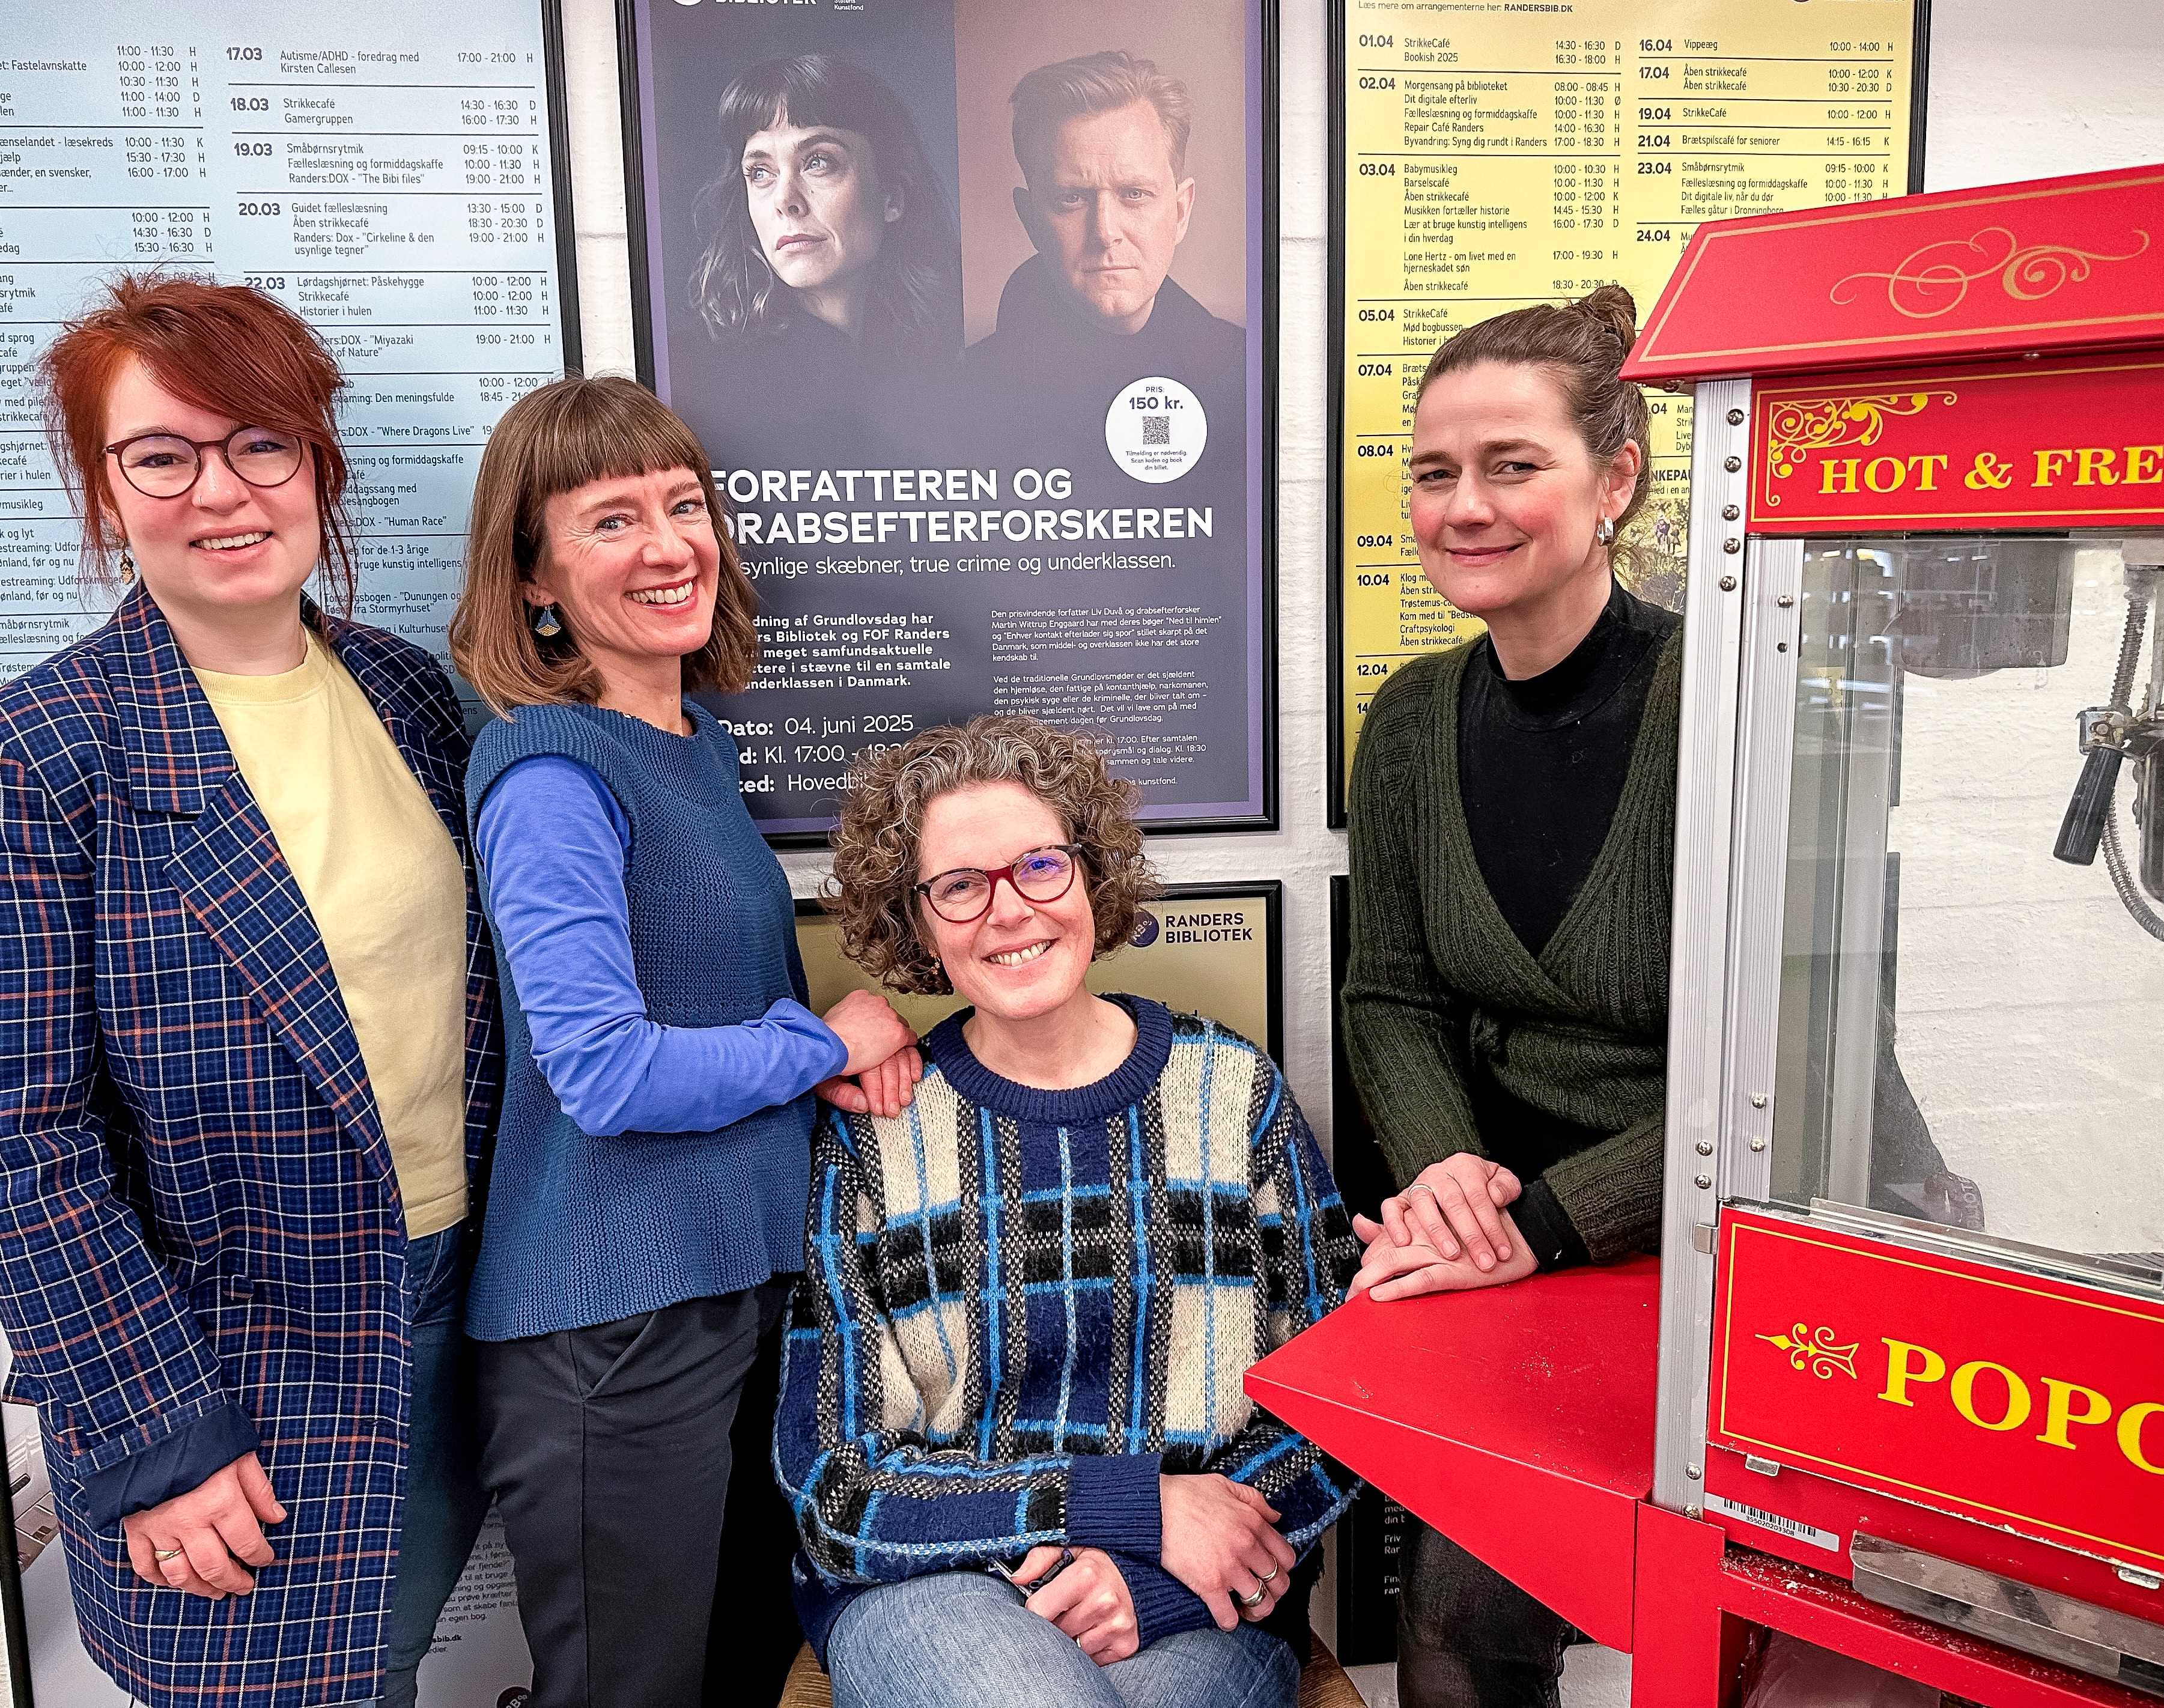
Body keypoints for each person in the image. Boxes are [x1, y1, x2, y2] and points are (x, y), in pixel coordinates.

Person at [1340, 289, 1954, 1706]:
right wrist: (1450, 1182)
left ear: (1613, 481)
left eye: (1510, 464)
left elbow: (1808, 1065)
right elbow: (1389, 995)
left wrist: (1540, 1222)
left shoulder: (1747, 702)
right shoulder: (1411, 718)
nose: (1462, 506)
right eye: (1434, 472)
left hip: (1750, 1238)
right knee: (1456, 1620)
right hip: (1514, 1247)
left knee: (1790, 1649)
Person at [0, 275, 496, 1707]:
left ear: (317, 468)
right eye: (161, 454)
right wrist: (150, 1436)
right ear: (104, 493)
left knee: (385, 1670)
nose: (220, 489)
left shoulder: (405, 696)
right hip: (226, 1366)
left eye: (260, 443)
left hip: (459, 1301)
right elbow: (24, 1138)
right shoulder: (44, 753)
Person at [445, 374, 922, 1708]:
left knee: (729, 1672)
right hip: (610, 1323)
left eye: (683, 502)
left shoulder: (693, 746)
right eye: (610, 520)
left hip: (731, 1293)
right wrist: (813, 1039)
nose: (670, 544)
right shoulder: (549, 771)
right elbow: (599, 1067)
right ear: (534, 577)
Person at [777, 714, 1360, 1708]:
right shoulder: (874, 1133)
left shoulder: (1231, 1088)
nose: (1007, 909)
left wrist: (1154, 1572)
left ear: (1091, 876)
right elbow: (835, 1487)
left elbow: (1339, 1399)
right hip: (937, 1587)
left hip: (1193, 1591)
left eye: (1039, 865)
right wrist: (1127, 1505)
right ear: (916, 923)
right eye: (959, 885)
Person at [684, 52, 962, 407]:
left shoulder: (954, 358)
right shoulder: (698, 375)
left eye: (818, 163)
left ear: (892, 197)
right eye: (760, 173)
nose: (785, 201)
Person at [966, 50, 1243, 400]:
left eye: (1135, 194)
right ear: (1031, 219)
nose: (1105, 232)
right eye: (1073, 199)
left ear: (1180, 212)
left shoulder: (1245, 375)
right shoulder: (963, 394)